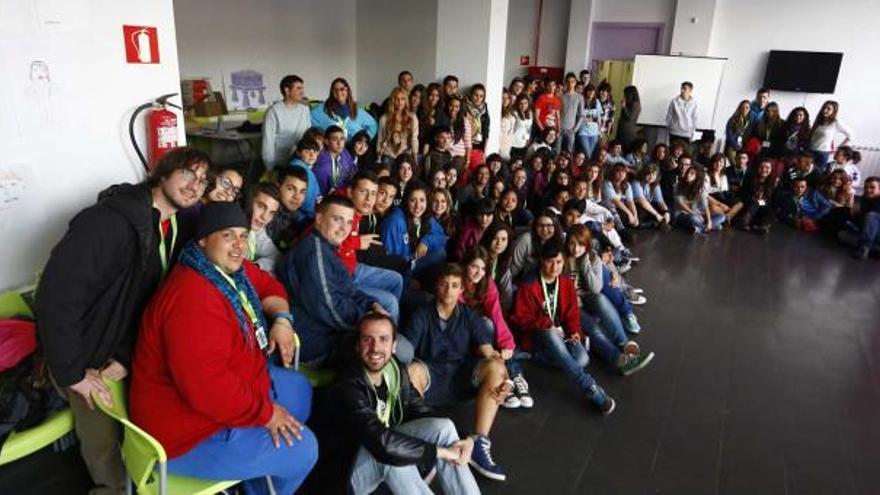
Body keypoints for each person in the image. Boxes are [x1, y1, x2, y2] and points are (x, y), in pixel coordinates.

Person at [36, 148, 210, 494]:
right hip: (86, 354)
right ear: (161, 172)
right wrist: (72, 372)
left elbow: (142, 299)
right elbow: (56, 297)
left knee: (144, 422)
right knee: (102, 440)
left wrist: (128, 355)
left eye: (203, 180)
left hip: (123, 348)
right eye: (188, 174)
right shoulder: (109, 221)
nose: (195, 186)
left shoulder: (178, 223)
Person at [130, 202, 317, 494]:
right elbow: (207, 388)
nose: (239, 246)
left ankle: (251, 481)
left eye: (243, 236)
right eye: (228, 235)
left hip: (235, 384)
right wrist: (267, 414)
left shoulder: (228, 271)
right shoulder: (193, 298)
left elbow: (269, 286)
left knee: (301, 391)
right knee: (304, 450)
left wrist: (282, 319)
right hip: (187, 429)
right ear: (203, 239)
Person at [324, 313, 480, 495]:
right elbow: (381, 444)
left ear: (394, 346)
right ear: (358, 346)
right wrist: (440, 452)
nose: (375, 348)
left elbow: (420, 409)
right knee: (391, 458)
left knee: (443, 427)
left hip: (381, 446)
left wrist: (464, 439)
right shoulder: (348, 385)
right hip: (346, 474)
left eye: (383, 339)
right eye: (368, 340)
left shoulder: (394, 369)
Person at [405, 263, 513, 481]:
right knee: (409, 370)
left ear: (461, 289)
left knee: (495, 367)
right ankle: (425, 445)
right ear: (437, 285)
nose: (448, 290)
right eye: (444, 284)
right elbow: (407, 352)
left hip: (460, 376)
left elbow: (488, 352)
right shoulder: (421, 314)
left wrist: (505, 377)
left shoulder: (469, 316)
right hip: (431, 375)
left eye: (454, 285)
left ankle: (479, 441)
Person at [279, 196, 409, 365]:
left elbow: (350, 289)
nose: (343, 228)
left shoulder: (328, 248)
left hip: (334, 329)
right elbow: (330, 308)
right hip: (318, 341)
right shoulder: (313, 252)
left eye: (348, 222)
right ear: (319, 219)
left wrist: (372, 305)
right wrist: (369, 320)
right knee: (403, 352)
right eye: (337, 219)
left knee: (395, 343)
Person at [510, 240, 616, 415]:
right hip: (538, 335)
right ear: (542, 261)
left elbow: (572, 312)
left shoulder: (566, 282)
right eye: (550, 261)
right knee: (551, 335)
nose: (554, 267)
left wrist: (574, 330)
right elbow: (520, 318)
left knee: (583, 359)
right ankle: (589, 386)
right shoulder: (528, 284)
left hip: (563, 334)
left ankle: (533, 357)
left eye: (559, 262)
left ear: (564, 261)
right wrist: (546, 324)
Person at [461, 247, 533, 409]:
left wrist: (507, 343)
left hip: (484, 335)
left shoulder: (487, 283)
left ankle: (514, 380)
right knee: (484, 324)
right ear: (465, 265)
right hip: (465, 334)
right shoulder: (457, 283)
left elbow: (497, 314)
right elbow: (464, 318)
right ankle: (511, 378)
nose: (479, 272)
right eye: (474, 267)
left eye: (483, 268)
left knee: (491, 326)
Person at [381, 181, 449, 284]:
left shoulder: (425, 216)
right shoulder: (395, 221)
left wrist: (426, 242)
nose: (418, 206)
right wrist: (409, 280)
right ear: (406, 201)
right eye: (413, 200)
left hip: (413, 264)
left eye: (422, 200)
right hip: (400, 274)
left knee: (440, 253)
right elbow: (391, 262)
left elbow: (441, 236)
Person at [262, 75, 311, 170]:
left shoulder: (305, 110)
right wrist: (269, 168)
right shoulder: (273, 111)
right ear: (287, 90)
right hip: (280, 164)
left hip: (301, 161)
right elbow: (268, 143)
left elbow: (308, 136)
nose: (302, 92)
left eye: (302, 88)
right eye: (298, 88)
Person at [311, 77, 378, 140]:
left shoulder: (357, 110)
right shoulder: (322, 109)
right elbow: (311, 123)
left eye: (342, 89)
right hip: (330, 150)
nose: (338, 92)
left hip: (352, 150)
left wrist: (363, 142)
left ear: (347, 90)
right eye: (335, 89)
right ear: (332, 92)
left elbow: (373, 126)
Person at [266, 167, 311, 252]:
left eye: (302, 192)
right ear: (278, 187)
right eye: (290, 189)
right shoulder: (268, 216)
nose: (297, 196)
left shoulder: (294, 212)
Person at [245, 182, 283, 272]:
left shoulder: (258, 232)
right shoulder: (231, 224)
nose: (264, 217)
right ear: (249, 201)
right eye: (261, 206)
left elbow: (276, 256)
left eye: (271, 213)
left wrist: (257, 266)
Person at [378, 87, 419, 164]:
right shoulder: (384, 118)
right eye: (397, 99)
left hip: (405, 154)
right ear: (393, 101)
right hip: (388, 154)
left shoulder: (412, 117)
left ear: (406, 100)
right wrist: (379, 158)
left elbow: (414, 138)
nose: (400, 102)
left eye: (403, 99)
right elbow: (380, 138)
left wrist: (415, 158)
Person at [735, 158, 777, 234]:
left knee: (770, 210)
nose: (764, 170)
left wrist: (762, 200)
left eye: (767, 168)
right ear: (757, 168)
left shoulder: (773, 181)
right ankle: (743, 222)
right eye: (762, 167)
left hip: (763, 203)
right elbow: (743, 193)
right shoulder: (750, 178)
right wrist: (753, 197)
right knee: (756, 202)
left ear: (771, 169)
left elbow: (770, 198)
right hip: (749, 202)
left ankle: (763, 226)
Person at [810, 100, 853, 173]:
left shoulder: (835, 122)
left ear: (834, 111)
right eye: (824, 108)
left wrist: (838, 148)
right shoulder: (819, 120)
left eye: (828, 109)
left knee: (817, 174)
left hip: (822, 154)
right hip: (810, 151)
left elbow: (850, 135)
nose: (825, 110)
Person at [313, 125, 357, 195]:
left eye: (342, 139)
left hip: (349, 190)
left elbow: (353, 169)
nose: (339, 143)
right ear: (327, 141)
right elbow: (320, 193)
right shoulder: (321, 166)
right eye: (334, 139)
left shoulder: (344, 152)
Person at [287, 137, 322, 219]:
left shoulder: (300, 165)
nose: (312, 155)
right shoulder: (300, 170)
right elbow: (306, 201)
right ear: (298, 153)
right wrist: (314, 215)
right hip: (304, 217)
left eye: (315, 151)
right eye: (307, 151)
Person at [848, 176, 880, 260]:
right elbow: (856, 218)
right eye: (866, 187)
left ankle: (864, 248)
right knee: (842, 234)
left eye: (872, 187)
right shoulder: (864, 199)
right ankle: (874, 249)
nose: (868, 190)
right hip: (866, 235)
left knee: (871, 216)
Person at [464, 84, 490, 167]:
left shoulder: (484, 109)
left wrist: (484, 151)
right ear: (471, 94)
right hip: (465, 146)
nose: (478, 98)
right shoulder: (464, 107)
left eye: (481, 96)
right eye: (476, 95)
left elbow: (486, 131)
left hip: (478, 147)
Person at [578, 84, 603, 159]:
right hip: (583, 130)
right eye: (589, 91)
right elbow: (578, 115)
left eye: (593, 91)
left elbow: (599, 118)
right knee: (587, 152)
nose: (591, 93)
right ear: (586, 92)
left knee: (591, 153)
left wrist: (599, 131)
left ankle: (588, 167)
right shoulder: (581, 100)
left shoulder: (597, 102)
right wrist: (586, 119)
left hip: (594, 131)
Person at [510, 94, 534, 160]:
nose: (523, 106)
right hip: (513, 143)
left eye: (525, 103)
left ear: (528, 103)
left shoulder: (530, 113)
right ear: (517, 104)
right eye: (521, 103)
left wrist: (527, 139)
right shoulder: (514, 113)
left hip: (523, 143)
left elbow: (528, 128)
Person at [499, 88, 516, 160]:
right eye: (503, 98)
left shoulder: (511, 111)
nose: (505, 100)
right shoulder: (498, 112)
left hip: (508, 143)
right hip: (500, 143)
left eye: (507, 98)